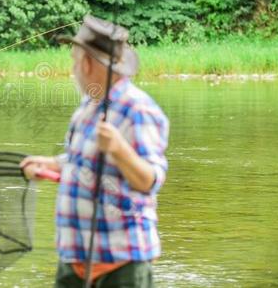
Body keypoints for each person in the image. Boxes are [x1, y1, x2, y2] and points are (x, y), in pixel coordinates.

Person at [21, 15, 169, 287]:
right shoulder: (88, 106)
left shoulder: (138, 109)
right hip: (74, 261)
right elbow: (82, 160)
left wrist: (119, 148)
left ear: (87, 63)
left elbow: (150, 181)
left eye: (74, 61)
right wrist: (49, 164)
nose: (73, 68)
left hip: (122, 265)